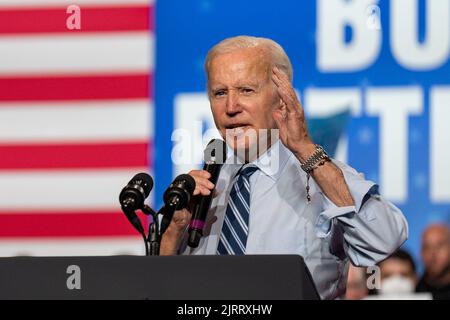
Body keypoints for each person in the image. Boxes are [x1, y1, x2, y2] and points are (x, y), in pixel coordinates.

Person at [160, 35, 408, 299]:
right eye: (220, 93)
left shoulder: (321, 176)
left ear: (282, 96)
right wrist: (173, 234)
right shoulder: (201, 190)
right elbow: (159, 288)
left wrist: (306, 150)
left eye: (246, 90)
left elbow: (383, 240)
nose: (230, 107)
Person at [416, 223, 450, 300]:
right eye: (427, 247)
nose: (433, 253)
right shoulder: (413, 292)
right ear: (420, 253)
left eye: (439, 245)